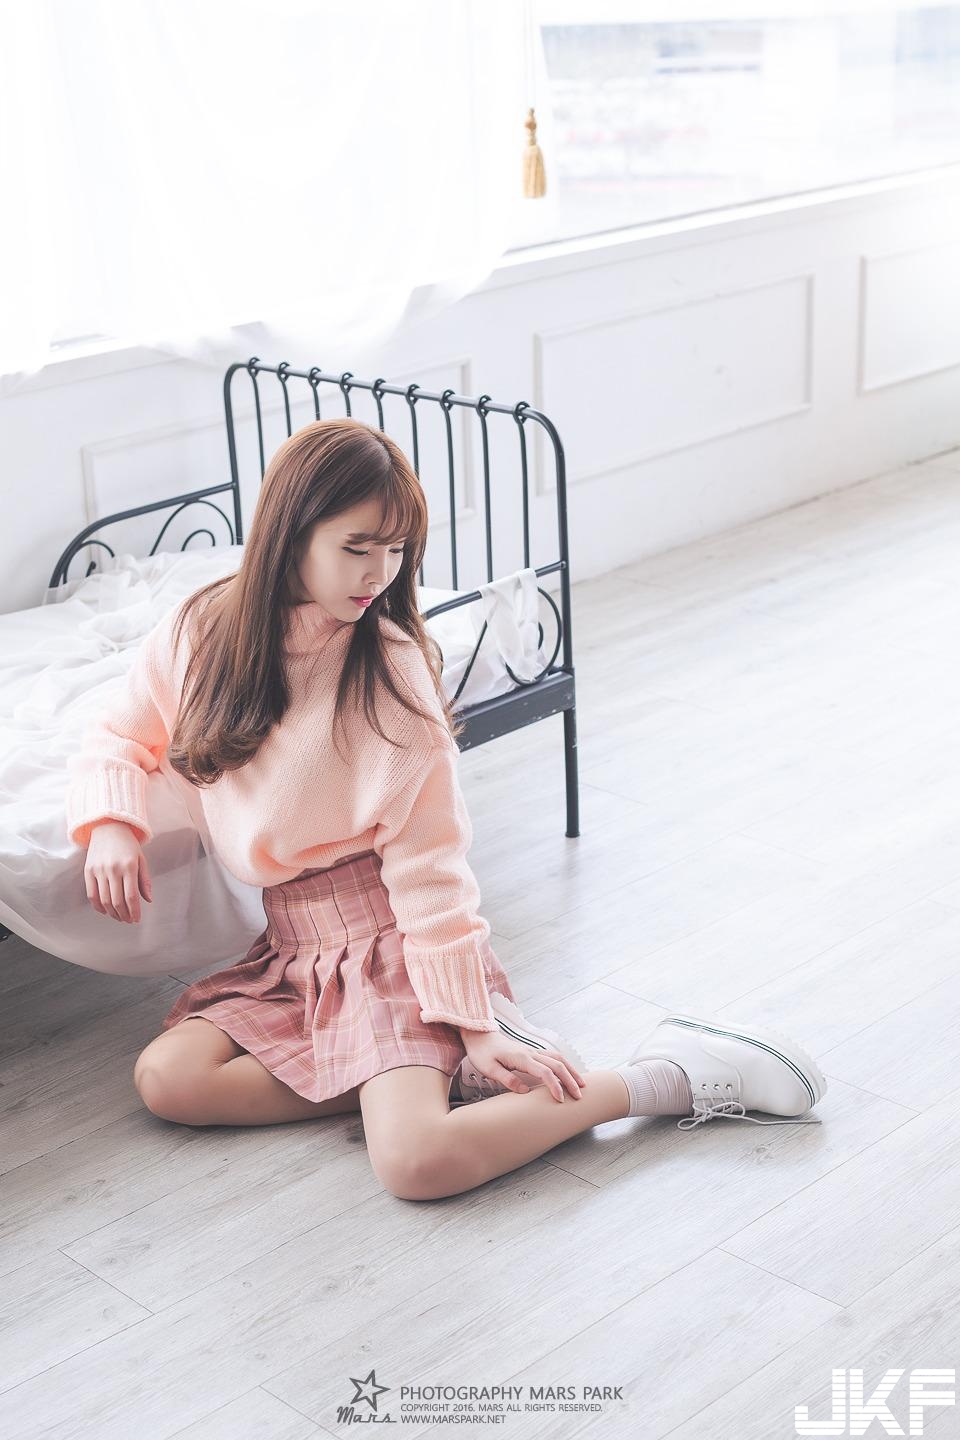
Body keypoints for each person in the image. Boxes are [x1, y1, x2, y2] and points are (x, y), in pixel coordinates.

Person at [65, 417, 827, 1203]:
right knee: (169, 1079)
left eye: (397, 550)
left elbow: (430, 868)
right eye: (357, 547)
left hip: (392, 939)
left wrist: (471, 1022)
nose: (380, 573)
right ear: (290, 533)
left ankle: (665, 1076)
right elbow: (118, 731)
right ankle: (415, 1077)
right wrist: (112, 826)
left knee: (416, 1164)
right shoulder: (200, 630)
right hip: (294, 946)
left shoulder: (388, 674)